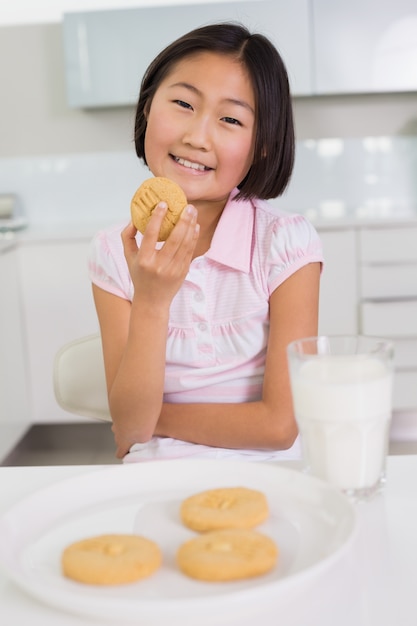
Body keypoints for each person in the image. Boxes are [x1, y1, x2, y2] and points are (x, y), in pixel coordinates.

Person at [88, 22, 324, 463]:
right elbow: (132, 429)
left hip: (275, 477)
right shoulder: (114, 252)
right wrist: (153, 301)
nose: (197, 137)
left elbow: (278, 427)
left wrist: (158, 419)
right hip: (152, 476)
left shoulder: (283, 244)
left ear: (263, 147)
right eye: (182, 103)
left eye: (231, 119)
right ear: (146, 109)